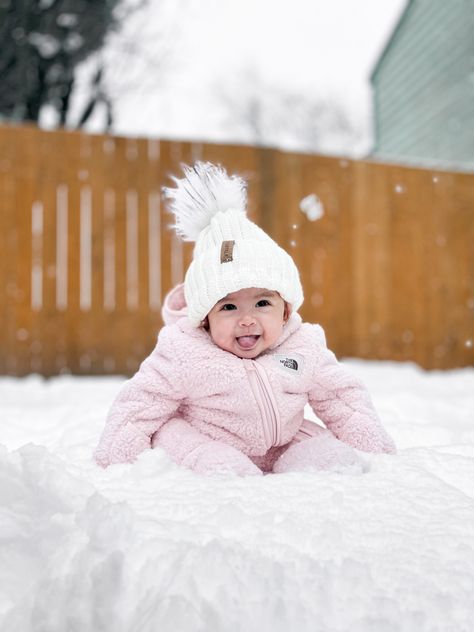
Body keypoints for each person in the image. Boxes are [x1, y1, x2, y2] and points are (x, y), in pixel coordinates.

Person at [94, 162, 396, 475]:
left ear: (286, 310)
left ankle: (309, 466)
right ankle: (214, 464)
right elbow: (140, 403)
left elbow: (342, 397)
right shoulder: (184, 352)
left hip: (281, 443)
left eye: (262, 303)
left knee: (322, 449)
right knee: (174, 437)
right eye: (228, 307)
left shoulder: (304, 347)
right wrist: (116, 453)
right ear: (205, 319)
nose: (247, 319)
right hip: (203, 439)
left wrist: (375, 448)